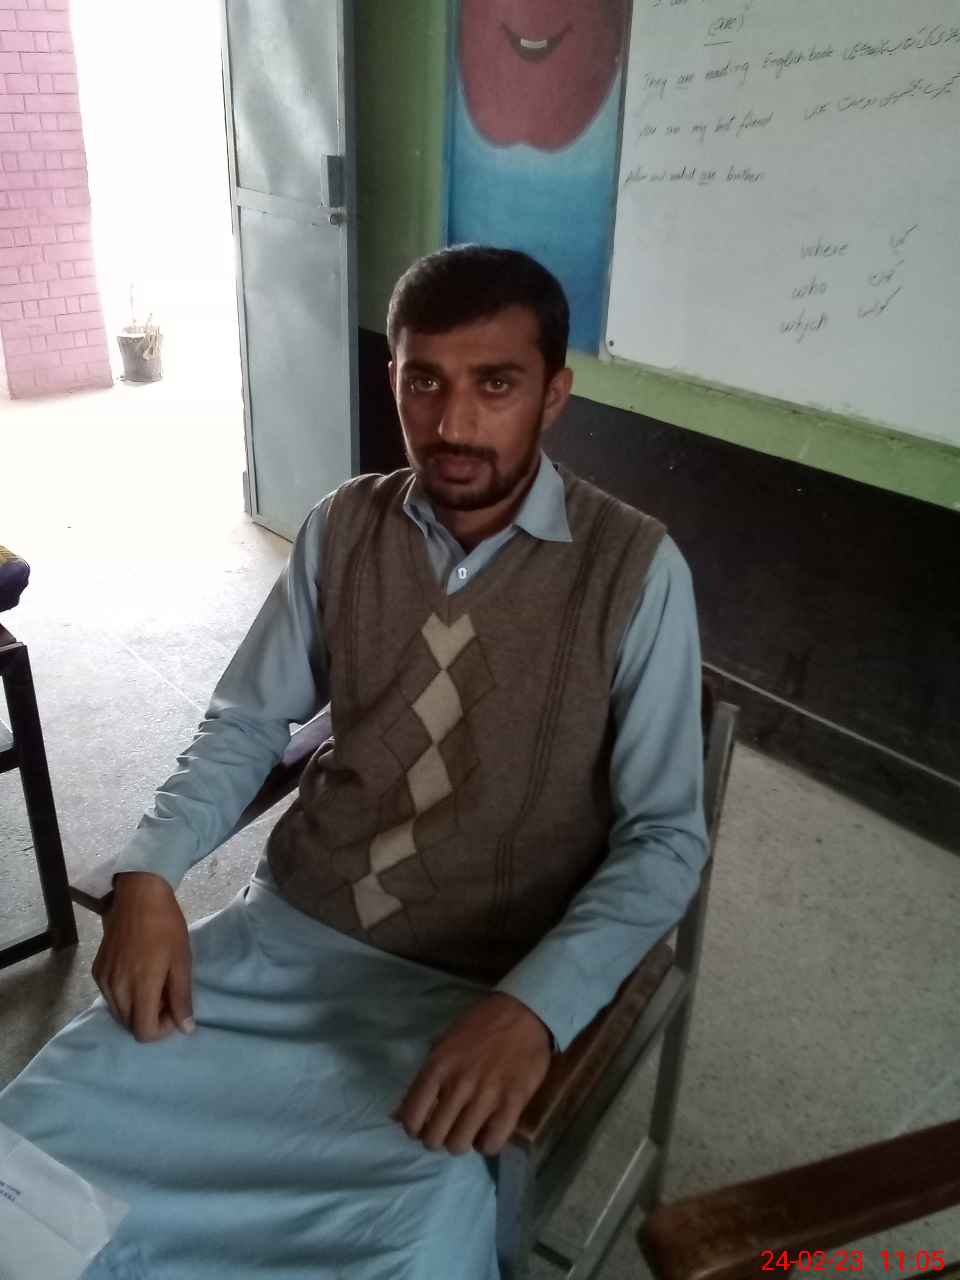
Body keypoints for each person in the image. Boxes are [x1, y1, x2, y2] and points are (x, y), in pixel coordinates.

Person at [0, 246, 706, 1279]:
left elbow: (666, 837)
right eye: (425, 381)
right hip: (288, 931)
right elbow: (246, 724)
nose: (452, 423)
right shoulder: (344, 527)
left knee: (400, 1245)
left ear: (554, 395)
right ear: (394, 380)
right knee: (31, 1149)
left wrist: (537, 1005)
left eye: (495, 385)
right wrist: (150, 869)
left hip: (476, 980)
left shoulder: (635, 571)